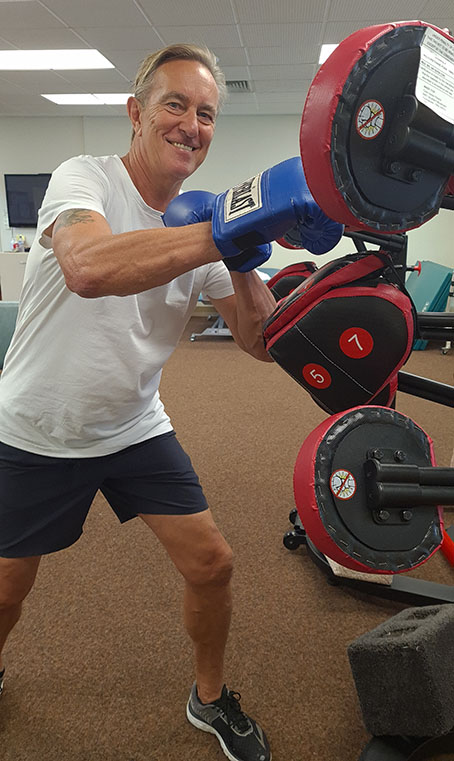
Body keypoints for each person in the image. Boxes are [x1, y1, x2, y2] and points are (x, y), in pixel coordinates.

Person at [0, 43, 340, 761]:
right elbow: (89, 267)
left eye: (207, 113)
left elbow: (255, 340)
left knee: (213, 562)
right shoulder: (83, 180)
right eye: (175, 105)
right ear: (136, 113)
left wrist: (245, 254)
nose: (192, 123)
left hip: (133, 427)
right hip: (35, 430)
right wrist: (216, 233)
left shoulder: (207, 224)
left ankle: (208, 699)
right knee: (6, 589)